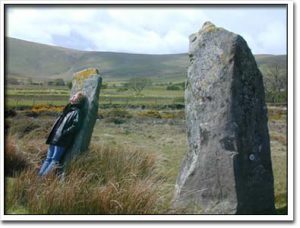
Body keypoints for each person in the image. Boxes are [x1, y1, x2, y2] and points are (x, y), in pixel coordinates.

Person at [38, 91, 85, 177]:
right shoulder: (69, 109)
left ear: (78, 100)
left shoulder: (77, 112)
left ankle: (42, 179)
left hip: (61, 139)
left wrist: (64, 133)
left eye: (74, 96)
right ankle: (39, 177)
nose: (72, 96)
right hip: (54, 137)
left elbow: (76, 126)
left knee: (54, 160)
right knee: (48, 159)